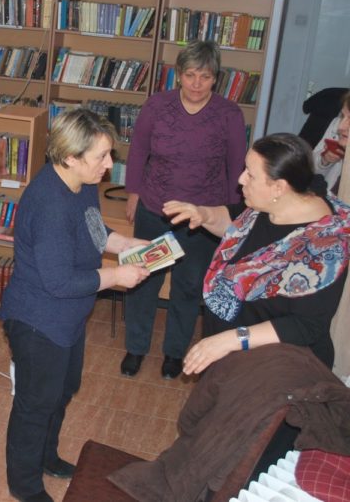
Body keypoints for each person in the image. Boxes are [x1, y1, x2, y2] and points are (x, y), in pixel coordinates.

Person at [0, 109, 150, 502]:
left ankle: (46, 457)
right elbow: (59, 281)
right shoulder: (48, 202)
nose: (109, 165)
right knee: (36, 403)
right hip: (37, 319)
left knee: (63, 390)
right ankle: (24, 485)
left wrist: (127, 246)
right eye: (101, 156)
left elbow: (94, 230)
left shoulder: (82, 183)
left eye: (109, 155)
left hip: (66, 317)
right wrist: (116, 276)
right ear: (70, 156)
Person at [163, 132, 349, 374]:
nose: (241, 179)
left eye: (250, 174)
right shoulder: (275, 200)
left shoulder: (325, 248)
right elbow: (237, 223)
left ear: (279, 187)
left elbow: (305, 326)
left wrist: (230, 340)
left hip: (273, 371)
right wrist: (203, 214)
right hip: (233, 356)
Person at [122, 40, 248, 379]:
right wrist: (133, 193)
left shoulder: (229, 115)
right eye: (190, 75)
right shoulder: (157, 106)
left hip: (201, 220)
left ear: (215, 79)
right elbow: (137, 153)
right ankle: (135, 348)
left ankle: (174, 353)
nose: (196, 84)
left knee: (188, 288)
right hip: (155, 209)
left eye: (204, 77)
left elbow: (238, 169)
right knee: (144, 280)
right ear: (178, 75)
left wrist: (230, 215)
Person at [311, 90, 349, 193]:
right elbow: (309, 168)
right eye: (342, 116)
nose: (340, 127)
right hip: (328, 198)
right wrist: (325, 161)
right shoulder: (336, 124)